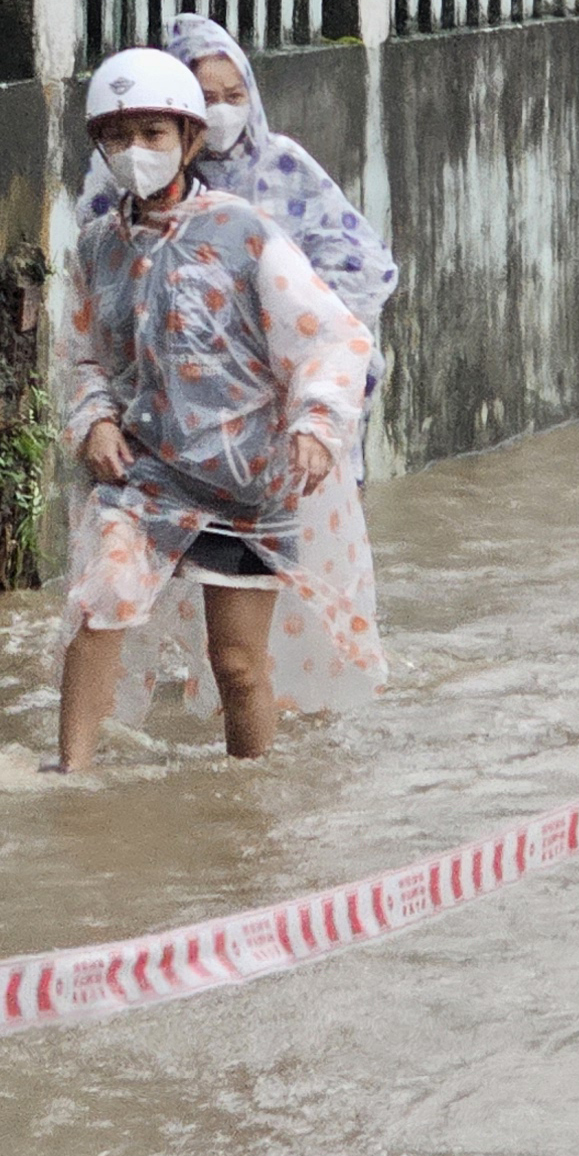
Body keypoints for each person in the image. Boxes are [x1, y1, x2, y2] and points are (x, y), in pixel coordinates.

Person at [57, 47, 379, 772]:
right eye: (118, 137)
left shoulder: (245, 233)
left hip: (245, 482)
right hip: (144, 476)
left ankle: (250, 799)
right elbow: (85, 355)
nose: (135, 153)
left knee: (236, 664)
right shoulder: (99, 248)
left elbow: (330, 335)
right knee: (99, 598)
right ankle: (67, 778)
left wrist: (316, 426)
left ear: (190, 140)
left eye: (153, 135)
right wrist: (96, 420)